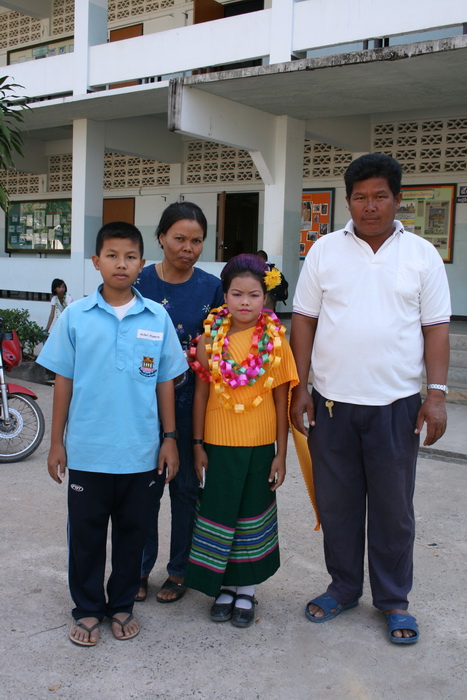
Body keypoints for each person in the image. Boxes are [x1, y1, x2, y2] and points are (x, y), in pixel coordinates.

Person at [290, 153, 451, 645]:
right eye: (360, 197)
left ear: (398, 199)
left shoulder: (421, 254)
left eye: (380, 196)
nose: (370, 206)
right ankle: (342, 588)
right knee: (337, 506)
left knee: (392, 510)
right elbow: (304, 320)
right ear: (348, 201)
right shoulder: (324, 251)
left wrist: (436, 394)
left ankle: (394, 600)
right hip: (332, 404)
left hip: (396, 406)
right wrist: (300, 386)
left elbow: (436, 328)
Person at [37, 221, 188, 646]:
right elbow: (63, 381)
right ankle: (87, 609)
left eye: (130, 256)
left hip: (141, 452)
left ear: (142, 263)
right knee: (86, 538)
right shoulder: (76, 317)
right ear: (96, 261)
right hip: (88, 451)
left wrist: (170, 438)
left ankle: (121, 604)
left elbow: (165, 382)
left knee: (132, 534)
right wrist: (56, 442)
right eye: (112, 256)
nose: (121, 264)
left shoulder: (156, 316)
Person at [184, 254, 299, 628]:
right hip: (218, 443)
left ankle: (245, 588)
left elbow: (281, 400)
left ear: (265, 298)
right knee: (219, 512)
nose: (245, 302)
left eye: (254, 295)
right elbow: (201, 394)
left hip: (260, 444)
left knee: (251, 514)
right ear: (225, 295)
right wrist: (197, 444)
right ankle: (223, 587)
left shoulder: (275, 341)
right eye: (237, 294)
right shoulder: (209, 340)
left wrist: (281, 454)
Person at [134, 202, 224, 603]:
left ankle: (179, 571)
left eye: (197, 241)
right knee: (143, 491)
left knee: (186, 489)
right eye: (180, 239)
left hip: (192, 405)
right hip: (140, 405)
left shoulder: (212, 288)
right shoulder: (138, 281)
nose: (188, 248)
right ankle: (137, 569)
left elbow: (220, 348)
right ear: (161, 238)